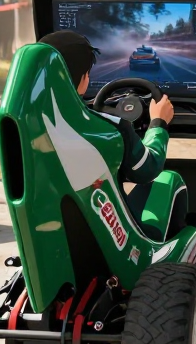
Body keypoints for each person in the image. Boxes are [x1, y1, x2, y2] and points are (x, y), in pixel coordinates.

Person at [39, 30, 187, 238]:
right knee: (169, 179)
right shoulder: (110, 127)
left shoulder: (26, 128)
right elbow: (148, 169)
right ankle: (168, 263)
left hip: (51, 239)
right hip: (115, 244)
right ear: (84, 79)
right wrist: (158, 122)